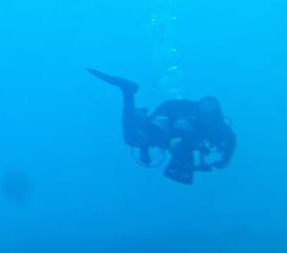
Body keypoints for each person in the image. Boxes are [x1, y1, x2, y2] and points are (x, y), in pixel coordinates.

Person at [86, 69, 237, 184]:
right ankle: (128, 92)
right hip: (165, 129)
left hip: (164, 132)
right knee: (133, 138)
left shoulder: (218, 126)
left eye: (210, 113)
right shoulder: (191, 110)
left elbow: (231, 140)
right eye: (205, 110)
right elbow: (166, 113)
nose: (207, 117)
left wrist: (225, 160)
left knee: (133, 138)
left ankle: (128, 92)